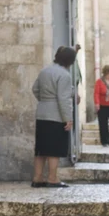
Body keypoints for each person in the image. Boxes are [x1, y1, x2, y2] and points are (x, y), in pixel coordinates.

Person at [31, 46, 77, 188]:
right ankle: (52, 178)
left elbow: (35, 89)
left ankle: (37, 177)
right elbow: (63, 99)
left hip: (42, 112)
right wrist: (68, 119)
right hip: (56, 115)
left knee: (41, 148)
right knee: (54, 149)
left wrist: (44, 100)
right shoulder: (64, 75)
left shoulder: (45, 71)